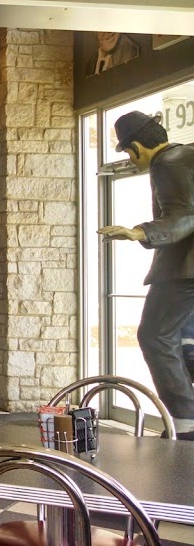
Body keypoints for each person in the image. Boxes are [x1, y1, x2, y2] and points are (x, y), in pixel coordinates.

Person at [98, 110, 194, 441]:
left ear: (137, 147)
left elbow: (185, 216)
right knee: (184, 339)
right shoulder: (188, 155)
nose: (130, 159)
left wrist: (139, 232)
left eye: (128, 152)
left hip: (184, 272)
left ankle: (186, 425)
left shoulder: (167, 163)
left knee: (154, 336)